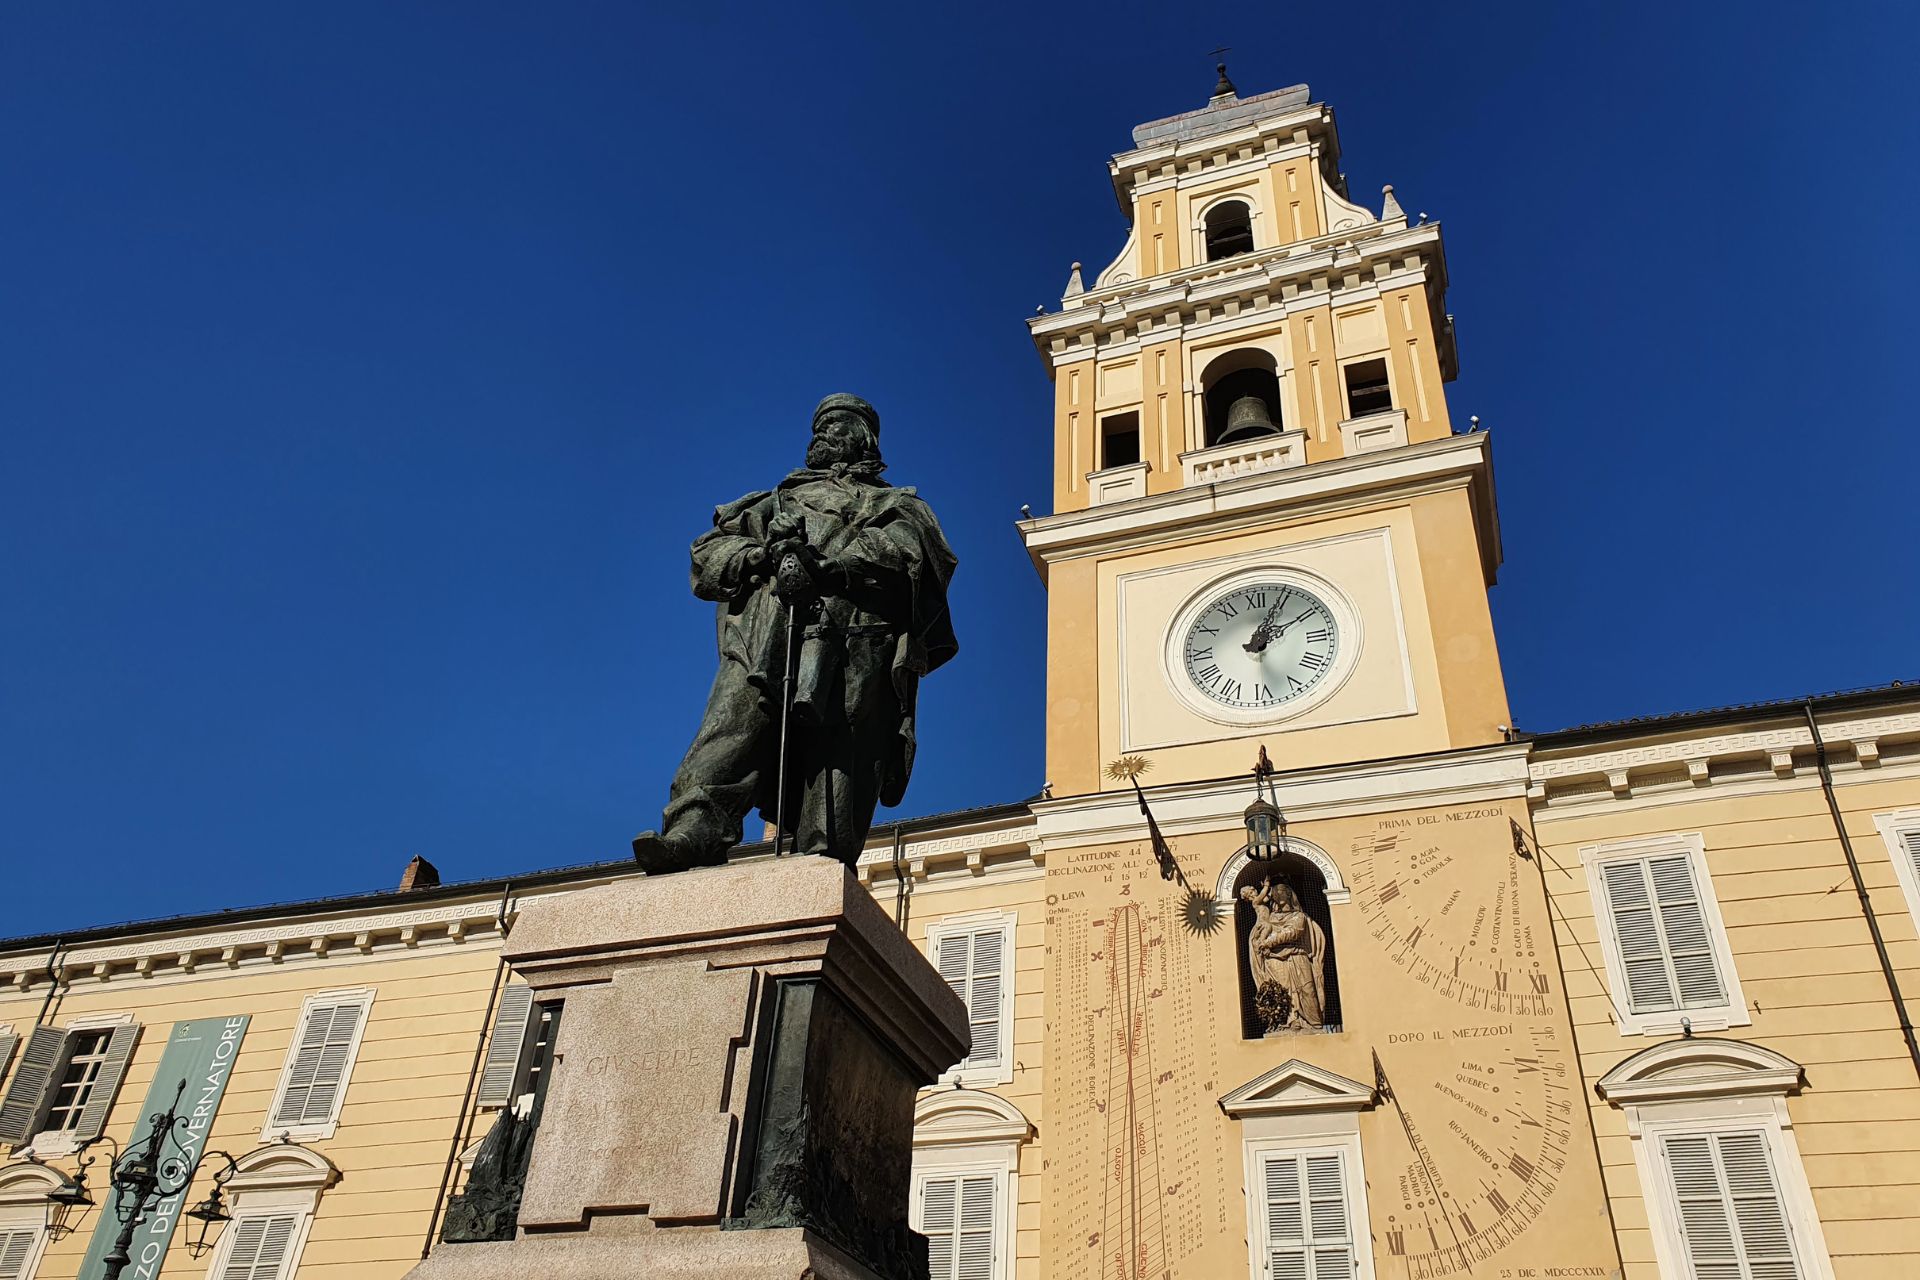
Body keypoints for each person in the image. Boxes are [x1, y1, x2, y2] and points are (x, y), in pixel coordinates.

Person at [631, 393, 958, 873]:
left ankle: (825, 858)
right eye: (819, 425)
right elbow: (708, 554)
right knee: (732, 729)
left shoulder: (895, 504)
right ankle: (693, 831)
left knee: (843, 752)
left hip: (857, 638)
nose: (824, 432)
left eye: (837, 424)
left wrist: (832, 566)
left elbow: (910, 551)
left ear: (864, 439)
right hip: (767, 634)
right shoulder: (773, 501)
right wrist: (761, 554)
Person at [1243, 878, 1328, 1029]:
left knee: (1308, 990)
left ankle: (1313, 1023)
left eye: (1282, 891)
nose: (1278, 893)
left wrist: (1269, 942)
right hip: (1275, 960)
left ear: (1289, 894)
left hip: (1298, 956)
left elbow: (1293, 932)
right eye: (1276, 891)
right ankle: (1289, 1021)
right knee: (1282, 992)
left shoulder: (1299, 916)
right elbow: (1260, 933)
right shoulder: (1271, 917)